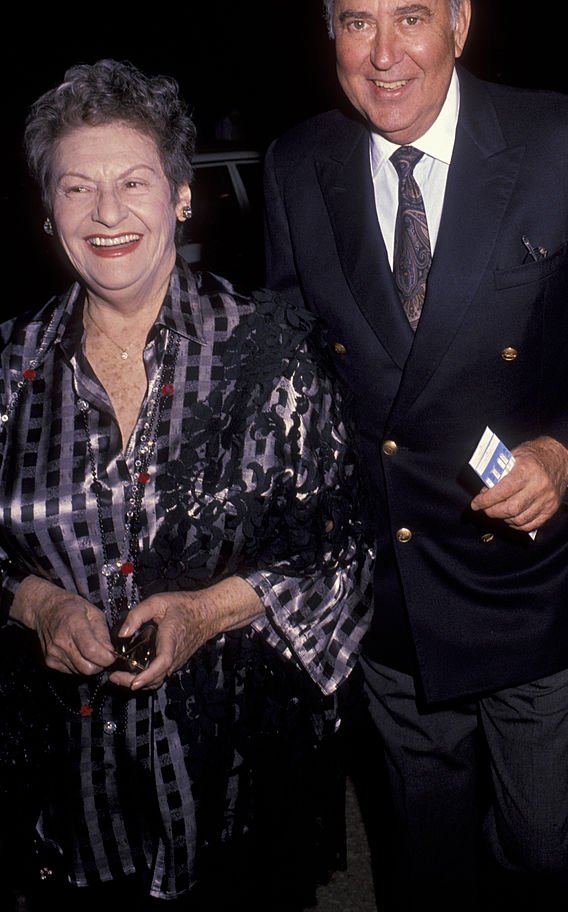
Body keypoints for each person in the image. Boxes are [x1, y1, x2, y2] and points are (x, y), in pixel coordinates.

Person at [263, 0, 568, 912]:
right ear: (329, 36)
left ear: (461, 23)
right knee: (422, 860)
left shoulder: (562, 140)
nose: (383, 54)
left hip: (534, 576)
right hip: (389, 592)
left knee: (538, 850)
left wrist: (565, 453)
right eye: (355, 23)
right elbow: (287, 375)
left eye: (410, 18)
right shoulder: (294, 165)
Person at [0, 58, 374, 912]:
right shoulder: (8, 367)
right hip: (62, 783)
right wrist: (35, 604)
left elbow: (340, 556)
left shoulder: (270, 354)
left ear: (181, 196)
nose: (105, 213)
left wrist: (205, 612)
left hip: (228, 775)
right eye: (75, 188)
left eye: (133, 182)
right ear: (47, 211)